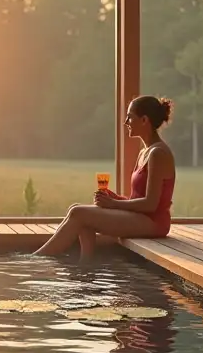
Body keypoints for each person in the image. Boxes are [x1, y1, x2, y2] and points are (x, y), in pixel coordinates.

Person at [34, 95, 176, 257]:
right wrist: (113, 198)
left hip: (154, 223)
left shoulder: (158, 153)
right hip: (141, 217)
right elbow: (138, 199)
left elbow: (150, 205)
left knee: (79, 213)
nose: (126, 123)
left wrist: (113, 203)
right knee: (75, 209)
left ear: (144, 120)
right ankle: (86, 265)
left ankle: (38, 259)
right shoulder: (145, 152)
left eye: (130, 118)